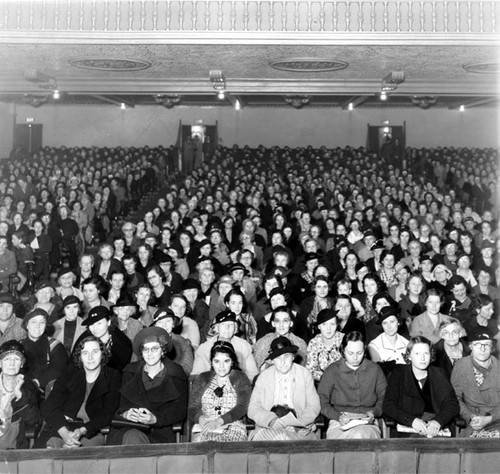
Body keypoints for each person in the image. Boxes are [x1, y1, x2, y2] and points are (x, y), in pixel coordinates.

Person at [34, 335, 121, 448]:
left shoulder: (113, 375)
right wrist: (65, 434)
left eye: (95, 352)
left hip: (91, 430)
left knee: (78, 457)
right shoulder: (70, 372)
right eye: (85, 353)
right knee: (43, 455)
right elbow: (49, 407)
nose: (90, 358)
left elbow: (108, 413)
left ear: (102, 353)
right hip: (63, 426)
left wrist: (82, 431)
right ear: (80, 356)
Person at [107, 327, 188, 445]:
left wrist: (155, 419)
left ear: (163, 350)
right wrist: (125, 414)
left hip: (158, 430)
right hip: (128, 427)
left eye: (154, 349)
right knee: (131, 436)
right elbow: (120, 406)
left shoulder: (175, 373)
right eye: (145, 349)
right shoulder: (130, 371)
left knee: (133, 438)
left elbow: (179, 411)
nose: (149, 354)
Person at [383, 336, 460, 438]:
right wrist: (411, 420)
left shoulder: (439, 373)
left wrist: (438, 421)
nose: (422, 358)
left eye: (426, 353)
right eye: (417, 353)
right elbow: (388, 406)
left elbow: (452, 404)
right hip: (406, 429)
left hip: (434, 429)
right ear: (409, 356)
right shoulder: (398, 373)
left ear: (431, 355)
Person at [248, 336, 320, 441]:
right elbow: (253, 408)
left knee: (290, 443)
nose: (282, 362)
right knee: (278, 440)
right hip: (269, 427)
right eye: (278, 358)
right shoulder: (264, 377)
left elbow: (314, 405)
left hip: (298, 427)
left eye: (286, 356)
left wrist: (299, 423)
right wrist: (271, 420)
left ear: (293, 357)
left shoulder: (304, 374)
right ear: (272, 361)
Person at [318, 331, 387, 439]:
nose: (355, 358)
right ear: (343, 351)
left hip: (367, 421)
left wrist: (374, 412)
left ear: (365, 351)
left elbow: (385, 397)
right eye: (350, 353)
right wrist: (337, 416)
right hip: (339, 421)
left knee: (359, 436)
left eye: (359, 353)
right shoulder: (333, 370)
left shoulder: (375, 370)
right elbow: (322, 400)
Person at [188, 341, 251, 442]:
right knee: (201, 448)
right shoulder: (203, 378)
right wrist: (200, 419)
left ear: (232, 362)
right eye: (217, 361)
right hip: (205, 425)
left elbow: (242, 407)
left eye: (226, 361)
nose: (221, 366)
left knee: (225, 449)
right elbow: (192, 408)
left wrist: (219, 421)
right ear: (212, 362)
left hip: (232, 425)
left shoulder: (240, 378)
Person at [451, 328, 500, 437]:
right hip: (473, 422)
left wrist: (489, 419)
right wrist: (470, 417)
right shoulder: (461, 366)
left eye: (487, 344)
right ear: (471, 346)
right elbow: (455, 398)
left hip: (497, 419)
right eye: (478, 344)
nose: (482, 349)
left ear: (492, 347)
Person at [191, 310, 258, 383]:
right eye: (223, 324)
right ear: (216, 328)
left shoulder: (244, 347)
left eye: (231, 325)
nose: (227, 328)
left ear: (235, 329)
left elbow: (253, 375)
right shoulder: (204, 348)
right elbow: (196, 376)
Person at [0, 340, 40, 449]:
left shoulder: (28, 387)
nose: (12, 363)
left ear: (22, 364)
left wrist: (19, 396)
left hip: (12, 447)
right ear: (0, 363)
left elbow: (34, 419)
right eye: (7, 359)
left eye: (16, 359)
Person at [21, 308, 67, 393]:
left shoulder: (55, 346)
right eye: (33, 322)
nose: (37, 326)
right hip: (22, 389)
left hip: (48, 392)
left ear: (46, 326)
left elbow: (57, 370)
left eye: (42, 322)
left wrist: (37, 382)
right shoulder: (19, 346)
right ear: (27, 325)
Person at [73, 306, 132, 372]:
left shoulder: (122, 342)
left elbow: (121, 371)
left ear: (109, 322)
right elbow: (74, 363)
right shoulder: (85, 338)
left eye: (99, 323)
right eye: (91, 324)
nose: (95, 328)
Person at [253, 306, 307, 372]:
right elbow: (259, 370)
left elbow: (302, 369)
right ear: (273, 323)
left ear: (291, 323)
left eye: (285, 321)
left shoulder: (300, 343)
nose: (281, 325)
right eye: (277, 321)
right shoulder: (263, 343)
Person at [152, 307, 193, 377]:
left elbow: (186, 369)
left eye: (168, 321)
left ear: (173, 324)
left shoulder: (184, 343)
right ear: (155, 325)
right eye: (160, 322)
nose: (164, 325)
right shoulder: (147, 343)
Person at [306, 308, 344, 382]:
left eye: (332, 324)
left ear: (337, 325)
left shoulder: (344, 340)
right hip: (322, 383)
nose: (328, 328)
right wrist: (326, 378)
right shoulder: (314, 343)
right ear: (319, 326)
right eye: (324, 324)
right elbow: (310, 370)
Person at [368, 306, 409, 375]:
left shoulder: (407, 343)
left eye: (392, 321)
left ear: (398, 322)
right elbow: (377, 373)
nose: (389, 326)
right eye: (385, 323)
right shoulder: (374, 346)